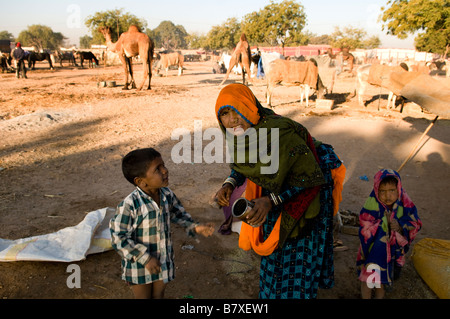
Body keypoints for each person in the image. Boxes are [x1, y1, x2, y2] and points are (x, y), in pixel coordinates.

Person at [214, 83, 345, 299]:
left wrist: (271, 200)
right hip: (275, 195)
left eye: (235, 109)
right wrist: (229, 183)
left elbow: (309, 177)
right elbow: (243, 166)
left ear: (249, 107)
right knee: (276, 256)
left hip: (309, 190)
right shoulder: (240, 137)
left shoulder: (278, 132)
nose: (232, 119)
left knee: (297, 257)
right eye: (224, 114)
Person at [110, 147, 215, 299]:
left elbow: (179, 214)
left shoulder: (167, 195)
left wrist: (195, 226)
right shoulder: (130, 205)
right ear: (141, 181)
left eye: (163, 165)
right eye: (157, 169)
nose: (165, 171)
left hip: (163, 258)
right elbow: (118, 237)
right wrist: (144, 258)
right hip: (139, 265)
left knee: (159, 295)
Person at [356, 169, 422, 299]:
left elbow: (415, 223)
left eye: (392, 190)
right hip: (373, 253)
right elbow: (364, 224)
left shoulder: (404, 203)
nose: (388, 196)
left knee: (381, 281)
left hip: (390, 254)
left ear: (398, 189)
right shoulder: (372, 204)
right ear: (376, 190)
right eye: (383, 191)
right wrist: (381, 225)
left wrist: (400, 227)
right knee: (368, 281)